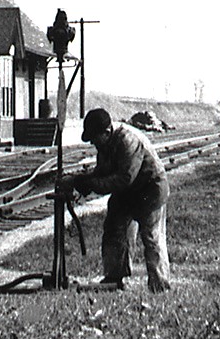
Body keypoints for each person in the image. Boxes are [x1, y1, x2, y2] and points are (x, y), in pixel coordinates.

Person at [64, 107, 171, 292]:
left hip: (150, 189)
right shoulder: (104, 145)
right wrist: (79, 180)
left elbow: (123, 179)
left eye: (94, 139)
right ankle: (114, 279)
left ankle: (160, 285)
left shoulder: (127, 141)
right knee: (114, 228)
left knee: (152, 238)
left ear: (106, 132)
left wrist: (89, 183)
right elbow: (103, 172)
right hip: (129, 192)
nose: (93, 144)